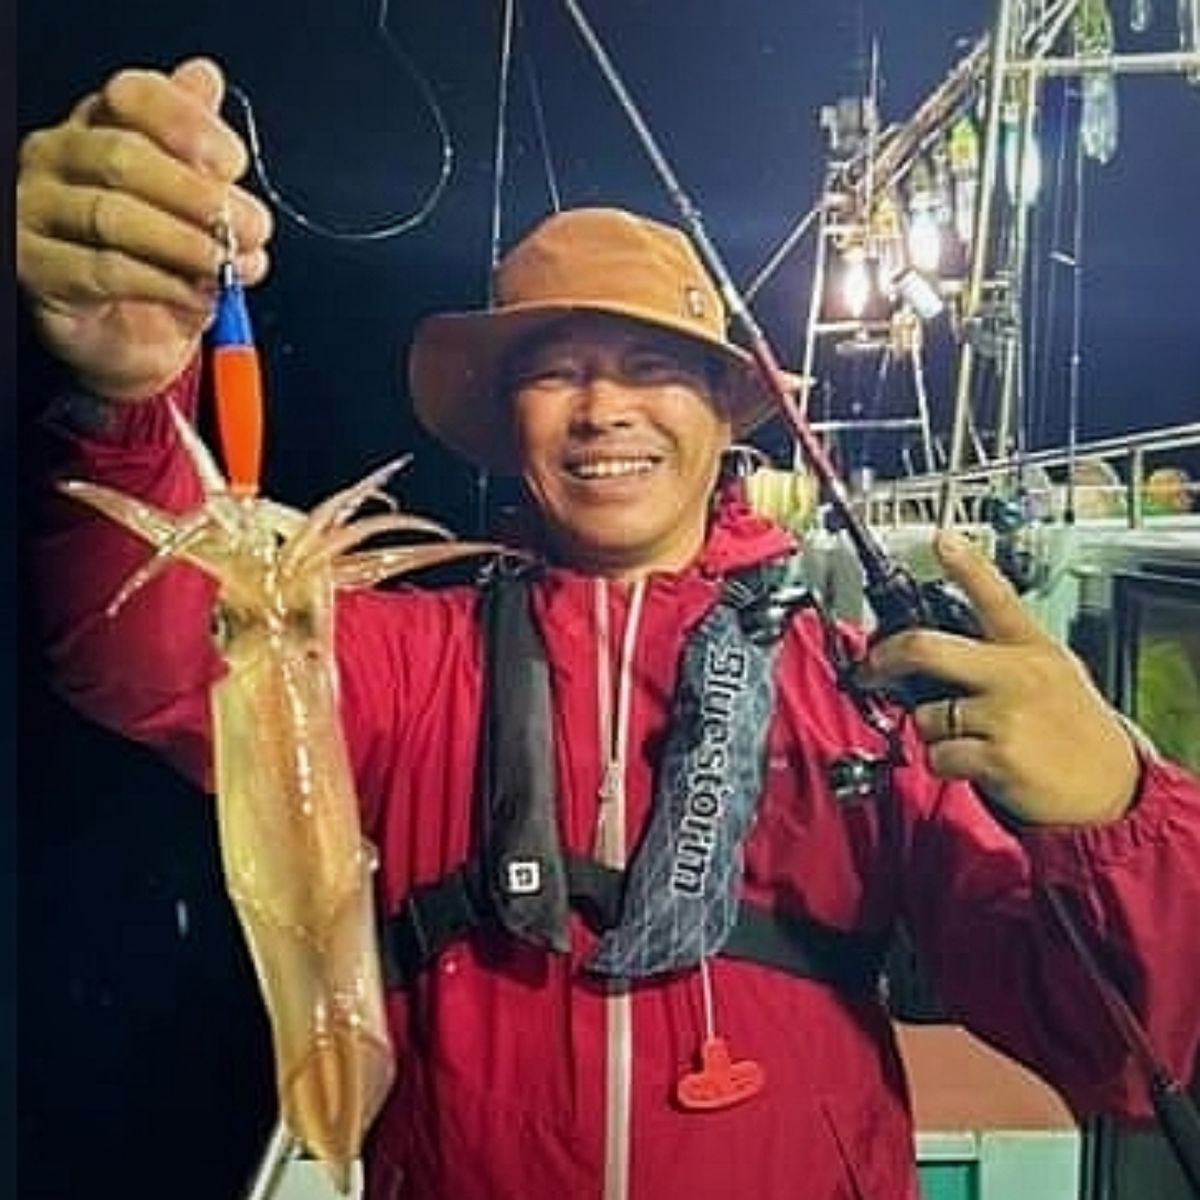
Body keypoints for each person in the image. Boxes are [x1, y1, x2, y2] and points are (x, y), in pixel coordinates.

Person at [17, 57, 1200, 1200]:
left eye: (651, 365)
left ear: (727, 410)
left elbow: (1117, 1049)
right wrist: (121, 404)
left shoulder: (866, 696)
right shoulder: (413, 661)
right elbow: (148, 650)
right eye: (556, 370)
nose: (604, 409)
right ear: (507, 420)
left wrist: (1113, 805)